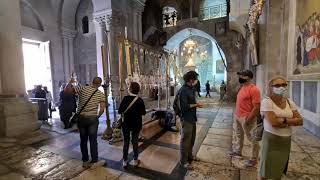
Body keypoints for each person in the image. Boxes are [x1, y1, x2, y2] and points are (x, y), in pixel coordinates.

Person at [259, 76, 303, 180]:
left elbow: (300, 121)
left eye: (284, 85)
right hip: (271, 139)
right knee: (266, 168)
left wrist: (284, 120)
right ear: (271, 87)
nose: (281, 87)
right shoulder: (267, 101)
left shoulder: (289, 102)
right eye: (277, 85)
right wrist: (292, 121)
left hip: (286, 140)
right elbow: (273, 123)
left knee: (279, 167)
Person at [64, 77, 106, 168]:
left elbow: (67, 91)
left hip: (81, 118)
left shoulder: (82, 88)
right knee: (93, 141)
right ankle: (94, 161)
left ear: (91, 82)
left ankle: (85, 161)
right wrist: (97, 116)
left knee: (83, 140)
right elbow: (102, 109)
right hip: (92, 119)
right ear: (99, 84)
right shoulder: (101, 94)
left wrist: (69, 82)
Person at [228, 70, 260, 167]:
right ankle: (238, 151)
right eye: (240, 75)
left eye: (242, 76)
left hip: (246, 118)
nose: (240, 77)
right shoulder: (242, 87)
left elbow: (257, 107)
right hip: (238, 115)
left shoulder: (254, 89)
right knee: (239, 135)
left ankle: (254, 159)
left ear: (249, 77)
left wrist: (248, 119)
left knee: (252, 138)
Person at [178, 71, 204, 168]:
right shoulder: (183, 90)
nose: (196, 81)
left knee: (192, 139)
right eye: (195, 79)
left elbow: (192, 100)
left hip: (192, 117)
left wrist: (196, 103)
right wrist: (196, 105)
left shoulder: (191, 88)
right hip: (186, 118)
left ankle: (190, 156)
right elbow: (184, 107)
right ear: (191, 79)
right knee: (185, 140)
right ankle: (183, 161)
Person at [118, 82, 146, 168]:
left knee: (126, 142)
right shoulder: (140, 100)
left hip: (126, 124)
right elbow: (143, 113)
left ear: (130, 89)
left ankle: (125, 161)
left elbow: (120, 111)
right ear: (138, 90)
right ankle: (135, 160)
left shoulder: (125, 98)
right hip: (136, 124)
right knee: (135, 142)